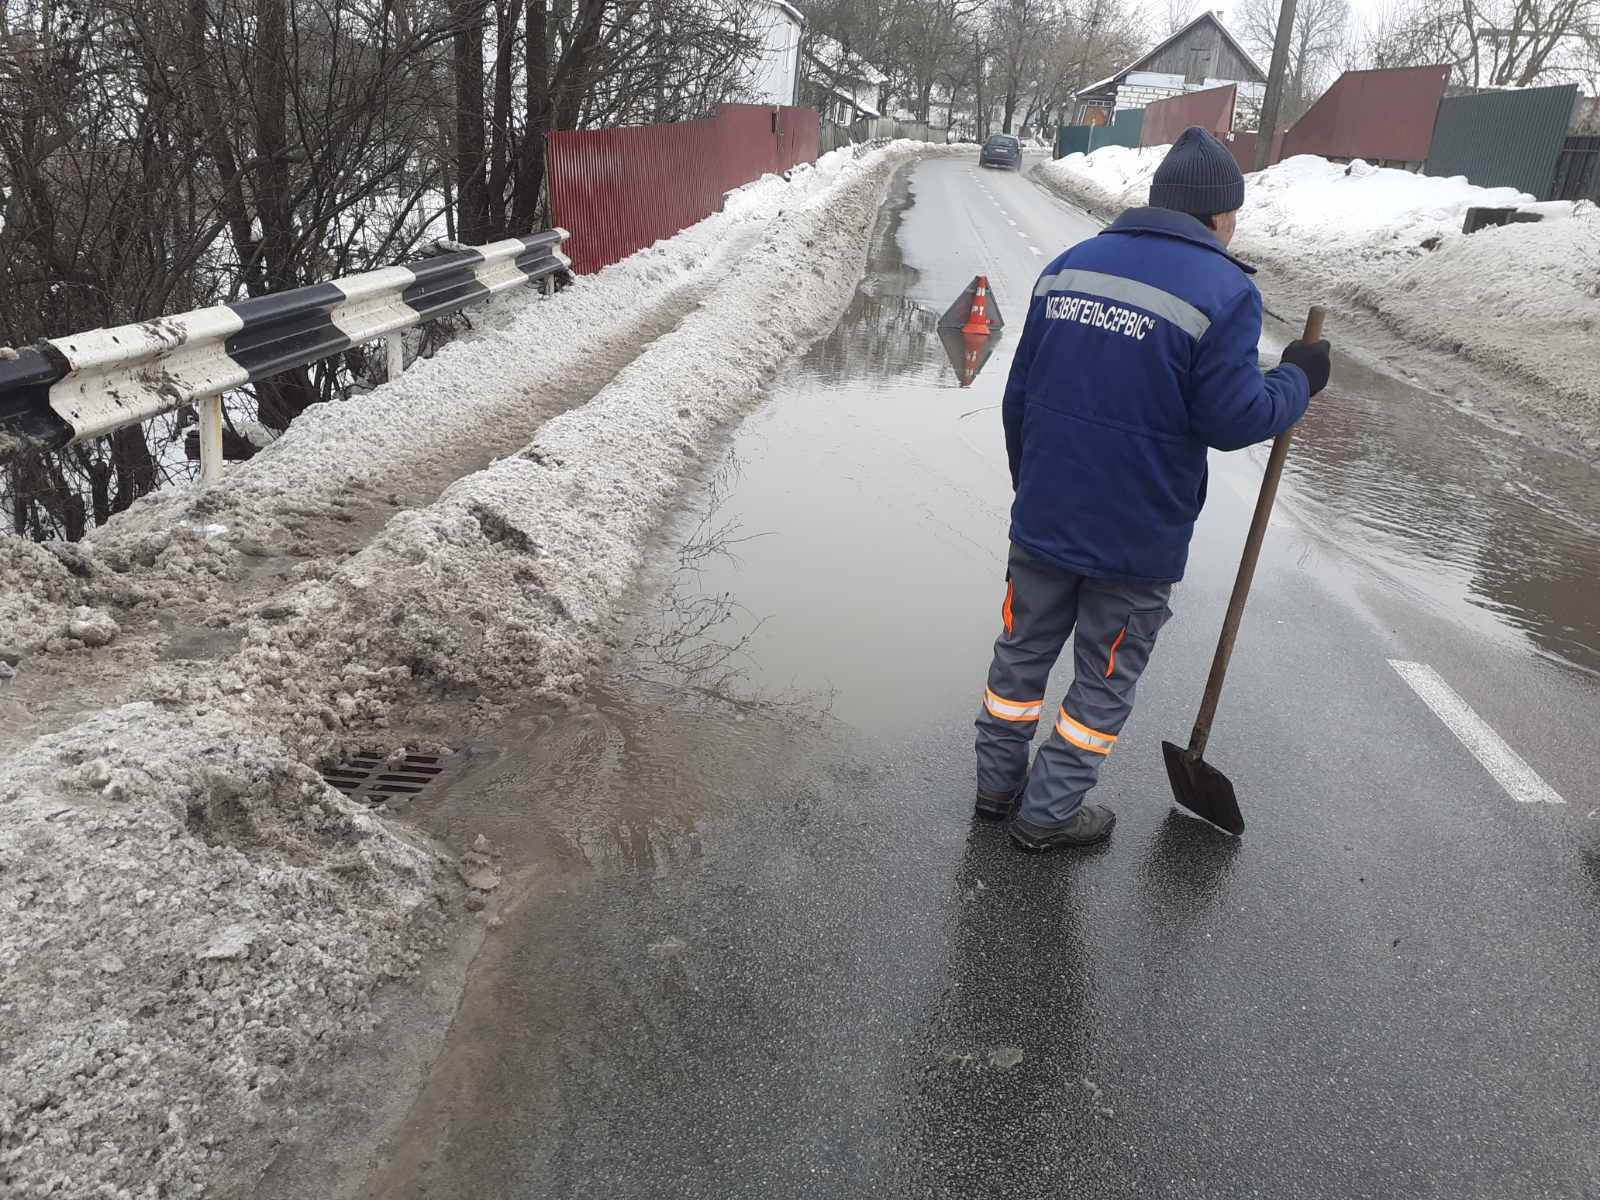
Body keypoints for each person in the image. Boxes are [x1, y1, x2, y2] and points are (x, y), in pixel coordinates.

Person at [973, 125, 1331, 852]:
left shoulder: (1070, 266)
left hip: (1044, 518)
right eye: (1234, 215)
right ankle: (1047, 818)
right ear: (1218, 216)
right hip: (1135, 540)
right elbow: (1233, 419)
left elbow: (1019, 400)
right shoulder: (1225, 292)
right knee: (1101, 681)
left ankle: (996, 790)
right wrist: (1298, 378)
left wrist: (1033, 490)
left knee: (1020, 659)